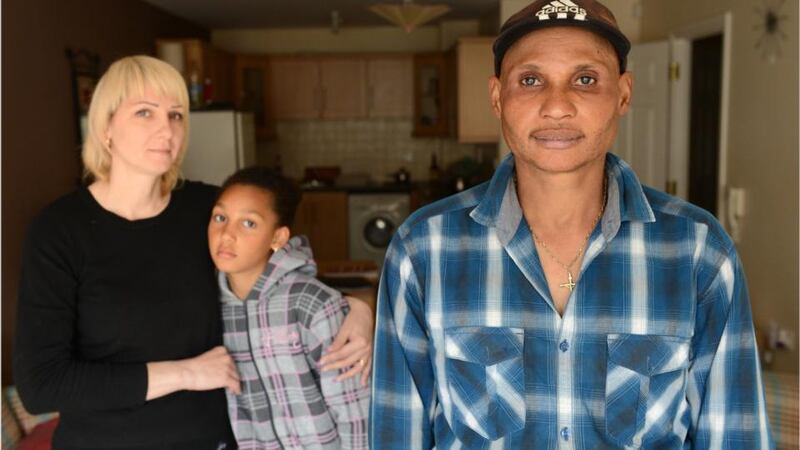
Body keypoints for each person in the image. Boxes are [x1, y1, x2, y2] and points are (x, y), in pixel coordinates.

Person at [370, 1, 773, 448]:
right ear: (497, 97)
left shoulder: (698, 251)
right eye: (530, 80)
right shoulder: (424, 249)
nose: (557, 106)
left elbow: (736, 434)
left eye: (585, 79)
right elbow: (397, 432)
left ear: (623, 94)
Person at [13, 55, 373, 450]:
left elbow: (283, 282)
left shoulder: (208, 210)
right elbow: (42, 385)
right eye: (145, 113)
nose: (166, 129)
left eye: (177, 115)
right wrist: (186, 374)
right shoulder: (60, 231)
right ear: (106, 127)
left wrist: (358, 310)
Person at [208, 167, 370, 449]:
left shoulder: (311, 304)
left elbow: (354, 411)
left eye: (249, 223)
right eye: (220, 218)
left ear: (278, 238)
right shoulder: (207, 307)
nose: (226, 234)